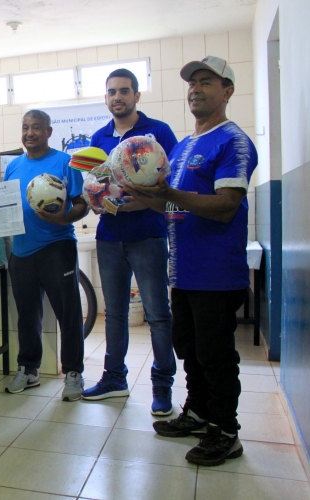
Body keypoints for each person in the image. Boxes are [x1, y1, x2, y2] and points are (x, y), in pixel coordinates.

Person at [128, 56, 257, 466]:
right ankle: (199, 413)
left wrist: (168, 194)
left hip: (216, 272)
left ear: (228, 91)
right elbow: (171, 206)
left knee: (216, 355)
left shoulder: (233, 141)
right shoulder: (183, 148)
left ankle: (226, 432)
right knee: (190, 348)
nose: (196, 89)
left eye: (206, 82)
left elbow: (224, 206)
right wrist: (126, 199)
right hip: (182, 273)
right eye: (191, 83)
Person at [81, 68, 178, 416]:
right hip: (109, 237)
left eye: (124, 91)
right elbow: (96, 186)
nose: (117, 97)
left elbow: (172, 182)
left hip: (148, 235)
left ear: (137, 95)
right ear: (106, 99)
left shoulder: (159, 132)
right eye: (111, 92)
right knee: (115, 315)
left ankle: (162, 386)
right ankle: (114, 379)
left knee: (158, 315)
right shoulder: (99, 138)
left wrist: (141, 201)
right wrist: (96, 199)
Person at [0, 110, 88, 400]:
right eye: (26, 127)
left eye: (37, 128)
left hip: (57, 247)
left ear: (49, 132)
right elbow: (7, 206)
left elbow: (82, 204)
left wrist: (62, 219)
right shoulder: (14, 166)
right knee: (27, 315)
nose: (30, 133)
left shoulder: (65, 162)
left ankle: (74, 373)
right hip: (22, 251)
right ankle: (29, 370)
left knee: (68, 314)